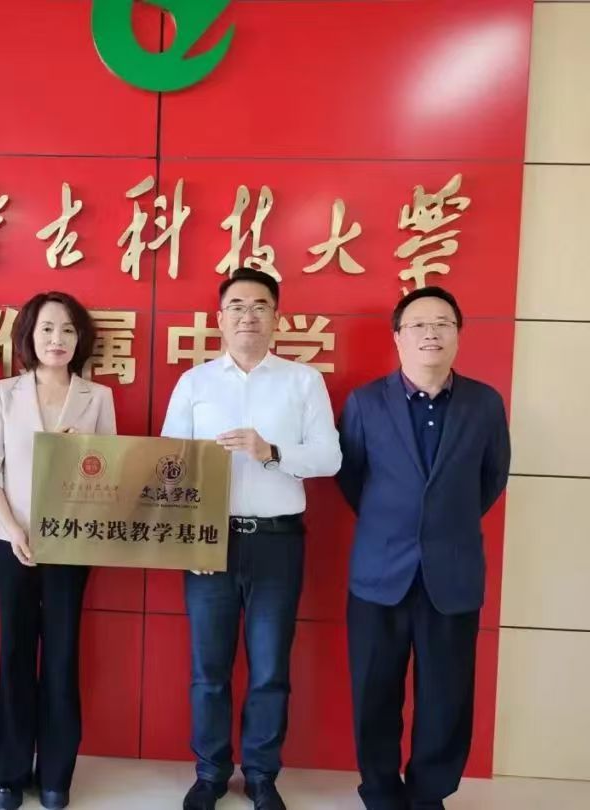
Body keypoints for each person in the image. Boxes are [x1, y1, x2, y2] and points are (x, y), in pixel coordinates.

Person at [161, 268, 342, 810]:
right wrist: (186, 540)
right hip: (208, 541)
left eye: (260, 305)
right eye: (237, 306)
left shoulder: (302, 381)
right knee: (208, 671)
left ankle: (262, 775)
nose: (248, 315)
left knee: (269, 670)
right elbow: (169, 464)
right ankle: (211, 773)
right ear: (219, 319)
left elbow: (330, 458)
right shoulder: (195, 383)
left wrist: (271, 452)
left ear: (276, 318)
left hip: (277, 542)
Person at [336, 286, 511, 810]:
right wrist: (396, 523)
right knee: (374, 692)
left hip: (451, 572)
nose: (430, 333)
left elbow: (491, 479)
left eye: (443, 323)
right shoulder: (365, 402)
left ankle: (429, 794)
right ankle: (381, 791)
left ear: (458, 335)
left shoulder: (485, 403)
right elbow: (351, 477)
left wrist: (441, 524)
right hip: (379, 573)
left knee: (446, 696)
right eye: (418, 324)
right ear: (398, 337)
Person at [0, 292, 117, 810]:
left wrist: (85, 452)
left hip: (71, 541)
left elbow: (112, 471)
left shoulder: (97, 397)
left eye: (68, 330)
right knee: (15, 652)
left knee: (61, 653)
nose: (57, 339)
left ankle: (56, 772)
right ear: (28, 337)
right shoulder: (4, 393)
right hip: (11, 537)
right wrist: (12, 529)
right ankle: (9, 774)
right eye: (47, 329)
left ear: (81, 339)